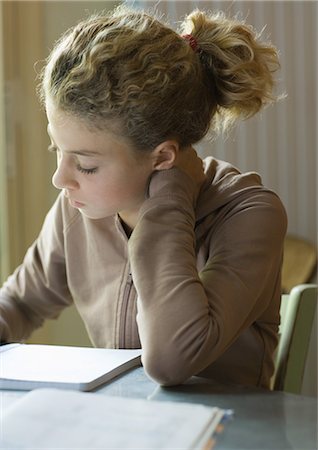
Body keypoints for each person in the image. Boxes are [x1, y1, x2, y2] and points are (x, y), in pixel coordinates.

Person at [0, 5, 287, 387]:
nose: (60, 179)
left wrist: (169, 197)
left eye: (85, 165)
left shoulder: (250, 215)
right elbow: (18, 304)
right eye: (57, 150)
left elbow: (173, 360)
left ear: (163, 157)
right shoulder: (78, 208)